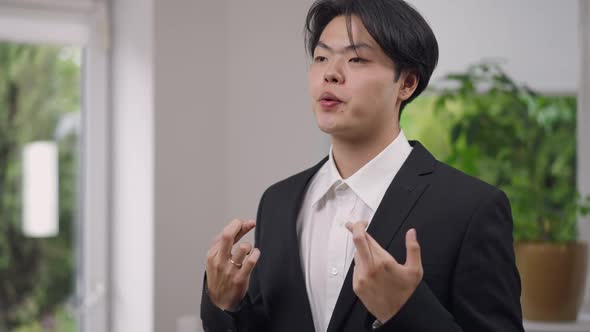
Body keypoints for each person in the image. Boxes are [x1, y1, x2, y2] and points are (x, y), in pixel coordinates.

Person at [201, 0, 525, 331]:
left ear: (407, 83)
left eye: (357, 59)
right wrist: (224, 304)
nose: (330, 73)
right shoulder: (278, 202)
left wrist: (406, 310)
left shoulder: (471, 208)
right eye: (321, 57)